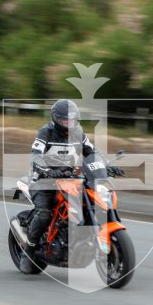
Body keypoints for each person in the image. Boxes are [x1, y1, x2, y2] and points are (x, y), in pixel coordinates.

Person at [20, 99, 123, 273]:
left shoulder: (79, 133)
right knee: (45, 213)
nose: (70, 124)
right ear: (56, 119)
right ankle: (28, 249)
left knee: (96, 197)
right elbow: (35, 155)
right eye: (65, 121)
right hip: (44, 179)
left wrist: (105, 165)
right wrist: (45, 169)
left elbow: (92, 152)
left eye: (73, 120)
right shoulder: (46, 132)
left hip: (71, 178)